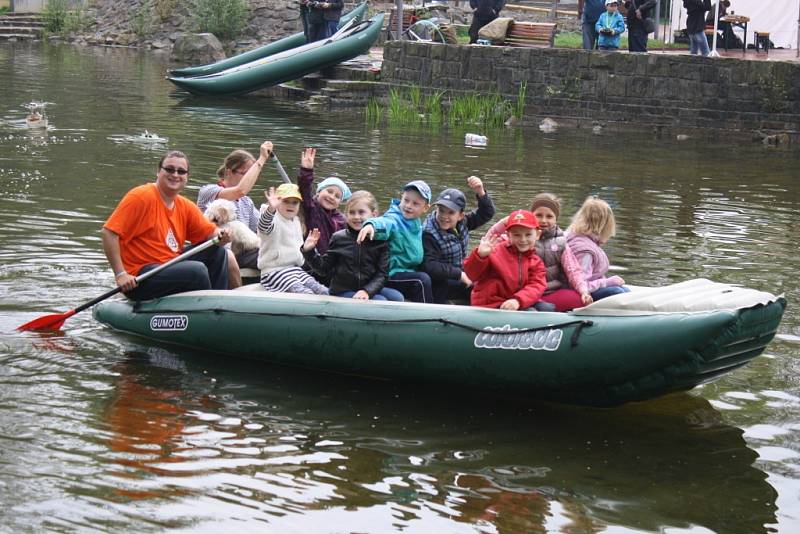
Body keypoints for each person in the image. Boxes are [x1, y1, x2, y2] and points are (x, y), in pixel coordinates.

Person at [102, 150, 230, 301]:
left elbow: (210, 233)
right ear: (158, 172)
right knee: (197, 271)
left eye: (181, 171)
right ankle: (204, 310)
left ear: (186, 177)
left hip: (168, 265)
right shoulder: (141, 197)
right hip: (141, 276)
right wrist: (121, 274)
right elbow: (108, 233)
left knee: (218, 252)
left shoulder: (184, 205)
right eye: (169, 169)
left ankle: (218, 304)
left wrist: (221, 236)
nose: (175, 175)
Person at [487, 193, 592, 312]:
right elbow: (489, 240)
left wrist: (583, 291)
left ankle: (540, 310)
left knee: (577, 299)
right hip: (519, 292)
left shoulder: (561, 243)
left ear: (556, 219)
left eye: (549, 216)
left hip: (548, 293)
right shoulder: (518, 238)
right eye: (539, 215)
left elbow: (573, 270)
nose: (543, 220)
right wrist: (504, 223)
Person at [303, 191, 404, 301]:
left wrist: (367, 290)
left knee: (397, 297)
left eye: (361, 212)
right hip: (342, 290)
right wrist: (309, 251)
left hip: (367, 287)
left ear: (374, 214)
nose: (356, 217)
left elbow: (382, 274)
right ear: (346, 215)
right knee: (381, 301)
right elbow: (323, 269)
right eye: (352, 212)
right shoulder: (338, 238)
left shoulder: (380, 241)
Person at [197, 141, 273, 285]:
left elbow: (261, 229)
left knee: (276, 252)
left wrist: (274, 210)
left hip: (242, 252)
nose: (251, 178)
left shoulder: (246, 202)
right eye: (246, 173)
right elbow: (240, 190)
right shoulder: (209, 191)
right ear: (229, 171)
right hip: (216, 252)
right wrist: (262, 159)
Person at [422, 176, 495, 304]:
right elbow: (430, 266)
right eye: (441, 211)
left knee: (489, 281)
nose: (444, 216)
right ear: (436, 209)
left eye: (451, 213)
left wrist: (480, 192)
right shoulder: (429, 233)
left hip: (458, 275)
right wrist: (459, 275)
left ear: (460, 215)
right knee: (477, 288)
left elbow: (487, 213)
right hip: (439, 282)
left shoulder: (464, 222)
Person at [357, 180, 434, 304]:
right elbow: (385, 223)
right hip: (389, 274)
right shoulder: (395, 218)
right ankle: (430, 317)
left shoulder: (416, 223)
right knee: (421, 280)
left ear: (425, 208)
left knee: (433, 276)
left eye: (415, 203)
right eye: (406, 200)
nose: (409, 205)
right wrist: (371, 225)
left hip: (407, 272)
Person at [464, 210, 547, 311]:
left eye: (528, 235)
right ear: (508, 235)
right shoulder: (494, 251)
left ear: (537, 235)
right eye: (517, 235)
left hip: (516, 301)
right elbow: (472, 275)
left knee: (547, 308)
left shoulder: (536, 262)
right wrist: (480, 256)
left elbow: (536, 285)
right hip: (491, 304)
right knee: (531, 312)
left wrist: (518, 300)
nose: (523, 239)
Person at [258, 183, 329, 295]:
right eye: (286, 201)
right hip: (273, 272)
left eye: (295, 202)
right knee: (305, 293)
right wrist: (271, 209)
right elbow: (263, 226)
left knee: (323, 291)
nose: (290, 205)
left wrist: (306, 248)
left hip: (295, 270)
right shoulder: (273, 218)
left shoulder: (296, 221)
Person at [566, 197, 629, 301]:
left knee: (624, 291)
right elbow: (580, 284)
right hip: (580, 294)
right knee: (618, 292)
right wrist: (607, 282)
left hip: (586, 288)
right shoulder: (584, 250)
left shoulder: (580, 237)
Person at [297, 147, 350, 255]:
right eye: (329, 191)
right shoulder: (312, 208)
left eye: (337, 196)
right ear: (318, 192)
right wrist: (306, 170)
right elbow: (304, 189)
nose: (331, 197)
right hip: (311, 257)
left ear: (340, 202)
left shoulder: (341, 220)